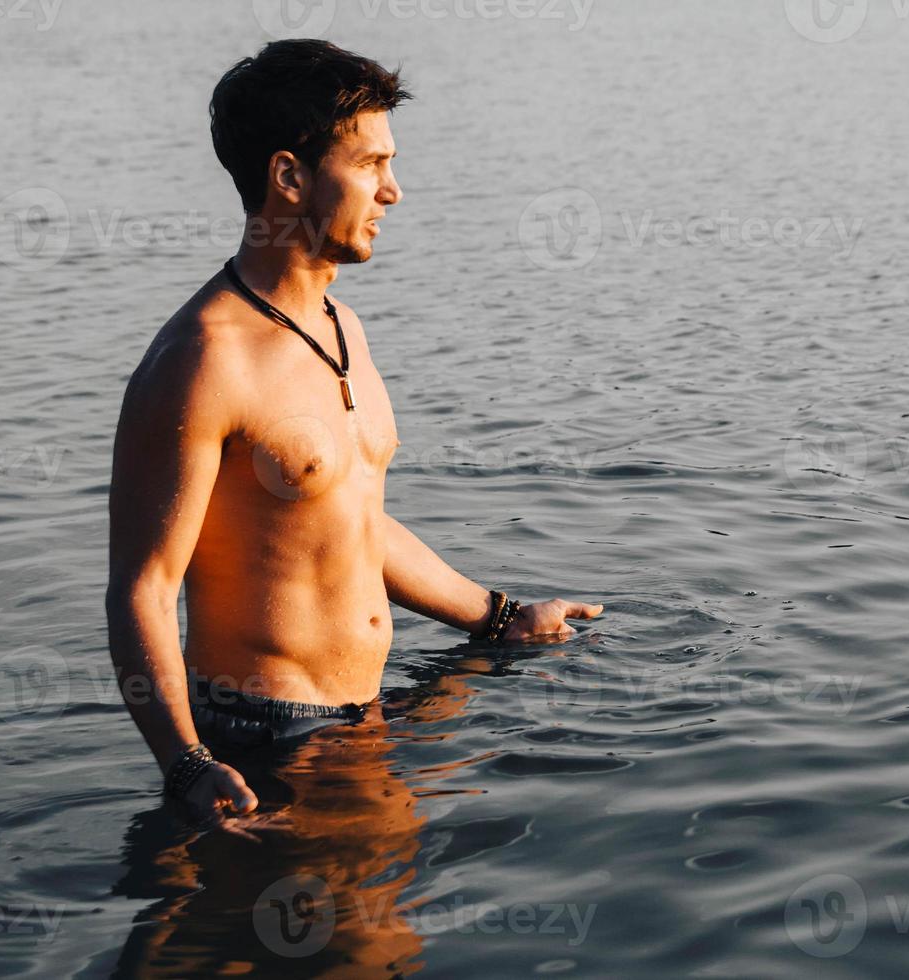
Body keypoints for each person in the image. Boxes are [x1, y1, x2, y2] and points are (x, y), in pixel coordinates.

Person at [105, 39, 604, 827]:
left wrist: (501, 615)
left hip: (365, 720)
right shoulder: (202, 361)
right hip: (264, 745)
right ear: (289, 176)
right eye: (370, 165)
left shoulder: (343, 329)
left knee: (391, 938)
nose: (393, 191)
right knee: (356, 945)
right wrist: (187, 765)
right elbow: (144, 587)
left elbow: (352, 520)